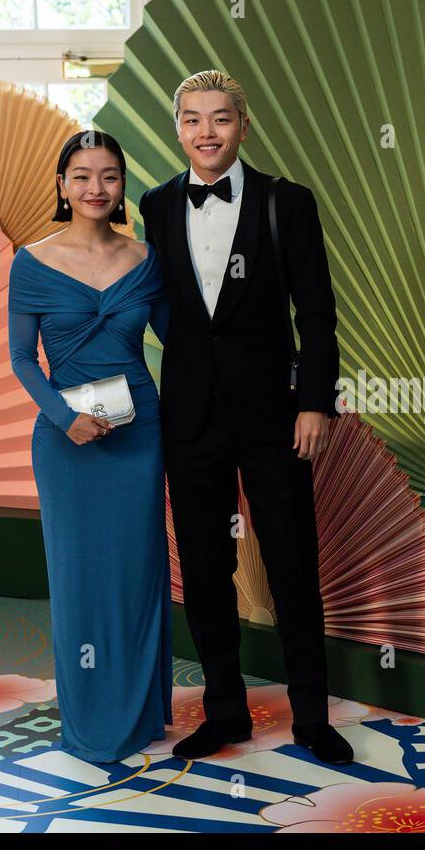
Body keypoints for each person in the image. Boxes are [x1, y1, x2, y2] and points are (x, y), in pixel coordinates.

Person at [139, 70, 352, 764]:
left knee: (292, 565)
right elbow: (170, 308)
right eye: (194, 119)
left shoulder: (286, 203)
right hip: (191, 418)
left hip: (276, 417)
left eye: (221, 118)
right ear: (178, 129)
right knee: (204, 570)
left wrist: (315, 400)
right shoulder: (156, 204)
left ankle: (312, 719)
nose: (207, 131)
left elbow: (316, 312)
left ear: (244, 125)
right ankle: (224, 713)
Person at [7, 130, 174, 763]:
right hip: (67, 443)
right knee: (78, 580)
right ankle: (93, 720)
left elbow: (180, 339)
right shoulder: (32, 260)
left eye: (108, 176)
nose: (95, 188)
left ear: (122, 185)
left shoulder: (146, 259)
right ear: (61, 186)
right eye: (81, 176)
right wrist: (64, 417)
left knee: (136, 575)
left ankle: (139, 711)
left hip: (140, 437)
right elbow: (23, 359)